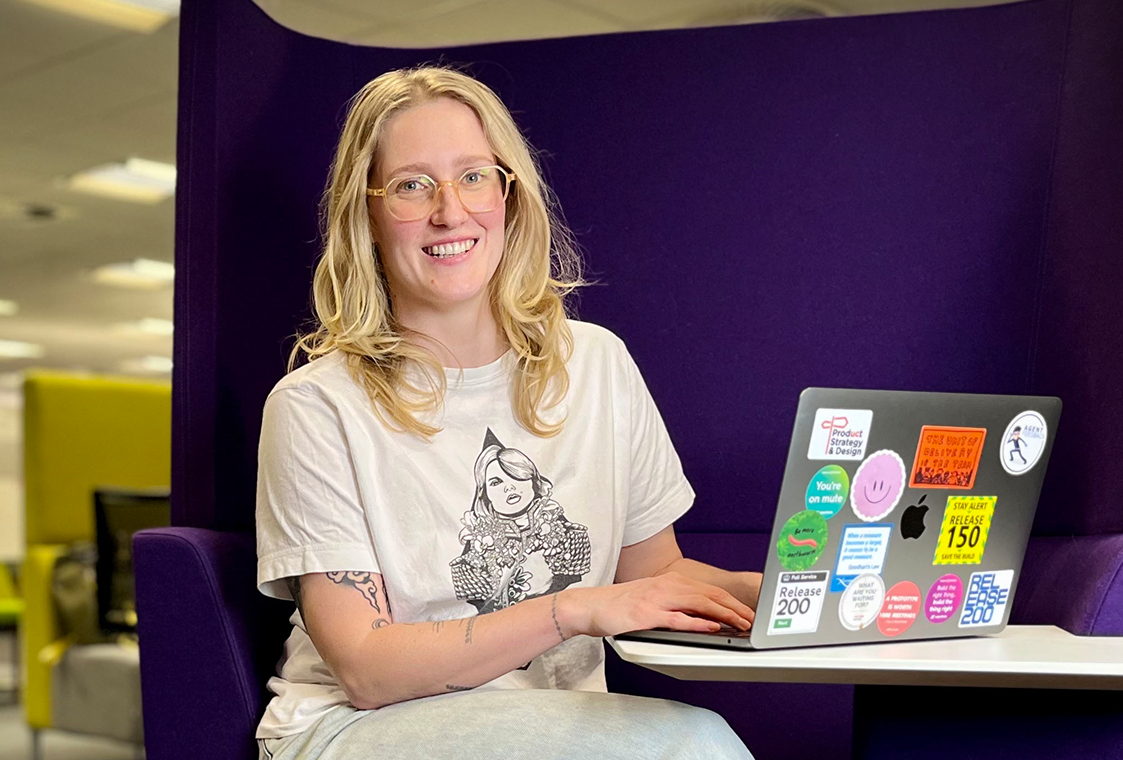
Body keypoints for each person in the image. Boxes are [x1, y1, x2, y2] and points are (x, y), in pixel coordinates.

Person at [253, 66, 762, 759]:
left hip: (556, 724)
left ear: (509, 195)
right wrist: (572, 608)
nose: (450, 212)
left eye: (474, 176)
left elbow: (651, 577)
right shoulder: (316, 407)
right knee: (695, 746)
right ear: (366, 215)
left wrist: (761, 594)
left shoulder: (598, 364)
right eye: (411, 185)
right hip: (356, 729)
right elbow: (366, 669)